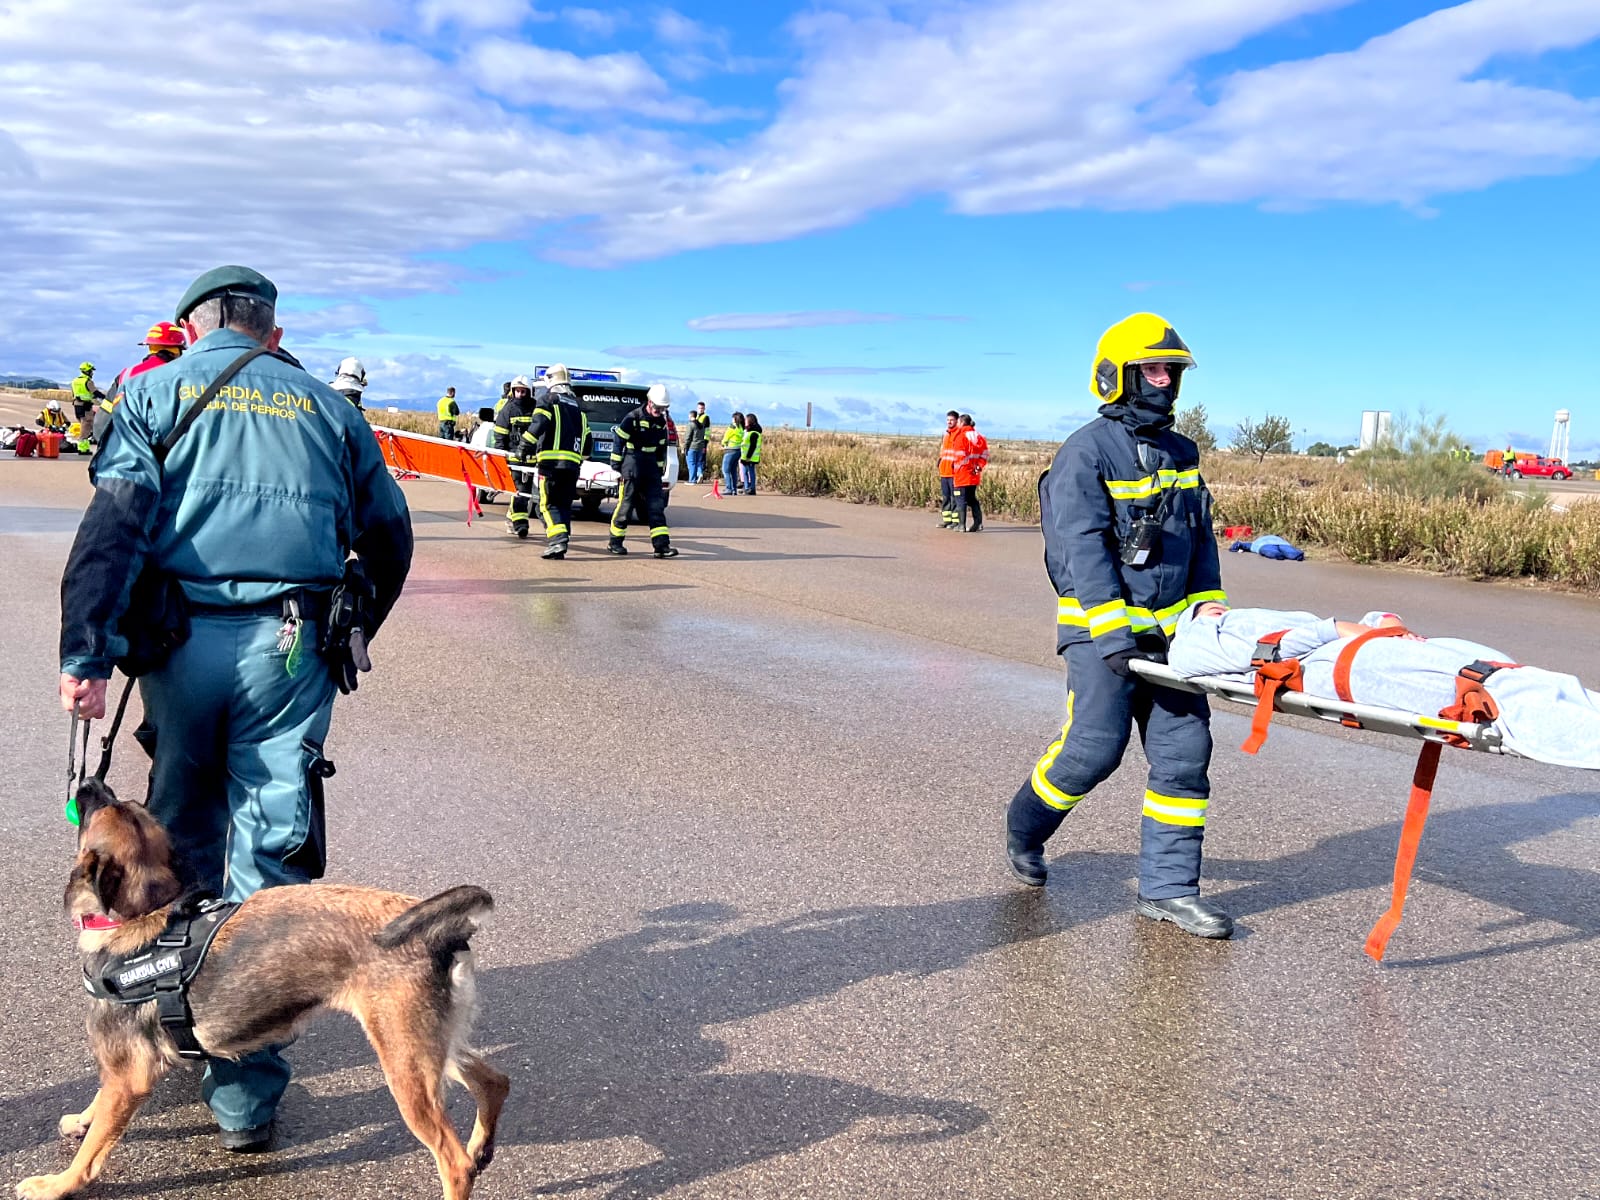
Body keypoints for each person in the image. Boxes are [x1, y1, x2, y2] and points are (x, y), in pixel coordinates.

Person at [57, 265, 413, 1151]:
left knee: (169, 840)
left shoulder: (156, 394)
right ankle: (245, 1094)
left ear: (187, 329)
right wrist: (351, 623)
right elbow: (390, 534)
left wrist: (86, 653)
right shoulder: (332, 411)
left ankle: (161, 1031)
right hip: (292, 651)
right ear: (274, 335)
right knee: (273, 846)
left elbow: (115, 527)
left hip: (180, 647)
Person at [1004, 312, 1231, 939]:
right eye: (1151, 370)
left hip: (1175, 641)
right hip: (1102, 636)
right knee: (1092, 752)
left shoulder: (1182, 453)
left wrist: (1209, 605)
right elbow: (1079, 550)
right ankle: (1024, 826)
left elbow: (1200, 539)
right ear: (1118, 378)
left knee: (1185, 758)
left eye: (1171, 372)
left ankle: (1170, 891)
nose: (1163, 382)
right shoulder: (1085, 452)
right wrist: (1111, 635)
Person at [1167, 603, 1600, 769]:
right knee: (1484, 696)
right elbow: (1271, 650)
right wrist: (1338, 628)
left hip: (1365, 647)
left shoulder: (1235, 616)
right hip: (1343, 661)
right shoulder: (1194, 639)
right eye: (1208, 607)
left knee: (1506, 674)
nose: (1218, 604)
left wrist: (1379, 623)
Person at [608, 383, 679, 558]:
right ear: (649, 402)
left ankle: (661, 547)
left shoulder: (661, 422)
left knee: (656, 508)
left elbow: (662, 446)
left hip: (651, 468)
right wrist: (616, 464)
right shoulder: (633, 418)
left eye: (662, 408)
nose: (658, 410)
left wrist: (661, 467)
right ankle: (615, 542)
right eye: (656, 407)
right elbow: (619, 440)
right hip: (633, 464)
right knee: (626, 505)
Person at [525, 371, 590, 559]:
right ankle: (562, 541)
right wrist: (578, 458)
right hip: (572, 467)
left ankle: (557, 541)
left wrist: (523, 447)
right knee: (563, 505)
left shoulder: (547, 400)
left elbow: (537, 426)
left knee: (546, 504)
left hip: (551, 465)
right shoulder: (579, 408)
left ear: (550, 382)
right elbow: (587, 444)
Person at [97, 321, 188, 444]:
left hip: (126, 448)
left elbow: (102, 421)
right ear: (176, 350)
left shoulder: (125, 375)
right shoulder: (180, 377)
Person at [492, 374, 540, 538]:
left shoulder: (536, 408)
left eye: (523, 391)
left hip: (531, 459)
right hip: (513, 458)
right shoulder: (508, 409)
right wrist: (500, 457)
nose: (519, 394)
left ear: (529, 392)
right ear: (512, 391)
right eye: (517, 391)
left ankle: (510, 519)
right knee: (520, 490)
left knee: (524, 492)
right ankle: (521, 524)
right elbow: (499, 435)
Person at [952, 413, 988, 532]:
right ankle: (978, 523)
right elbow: (984, 455)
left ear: (962, 423)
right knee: (972, 499)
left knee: (960, 499)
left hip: (962, 474)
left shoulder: (961, 437)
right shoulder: (980, 437)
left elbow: (960, 457)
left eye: (958, 422)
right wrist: (978, 467)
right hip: (974, 475)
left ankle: (961, 525)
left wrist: (962, 468)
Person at [937, 410, 960, 528]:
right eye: (947, 420)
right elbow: (943, 451)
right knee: (945, 497)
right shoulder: (946, 435)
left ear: (957, 420)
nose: (949, 422)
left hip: (954, 473)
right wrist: (940, 461)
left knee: (954, 498)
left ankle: (956, 522)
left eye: (951, 420)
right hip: (944, 471)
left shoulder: (959, 434)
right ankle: (947, 520)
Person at [684, 401, 711, 484]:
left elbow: (706, 431)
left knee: (696, 461)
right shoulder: (698, 418)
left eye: (702, 408)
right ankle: (698, 475)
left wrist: (705, 442)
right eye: (699, 408)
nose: (700, 410)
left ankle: (696, 477)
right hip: (700, 442)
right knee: (698, 461)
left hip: (700, 442)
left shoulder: (705, 417)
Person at [70, 362, 102, 426]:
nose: (92, 373)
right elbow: (96, 392)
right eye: (91, 371)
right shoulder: (88, 381)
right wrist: (106, 397)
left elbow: (74, 393)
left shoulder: (74, 381)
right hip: (86, 406)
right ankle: (86, 435)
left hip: (77, 405)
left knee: (82, 422)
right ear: (87, 372)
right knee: (88, 423)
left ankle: (85, 434)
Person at [721, 412, 745, 494]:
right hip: (738, 450)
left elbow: (725, 438)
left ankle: (729, 488)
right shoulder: (742, 428)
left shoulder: (732, 427)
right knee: (733, 470)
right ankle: (734, 489)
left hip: (730, 450)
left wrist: (723, 443)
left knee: (725, 470)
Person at [740, 413, 764, 495]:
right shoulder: (748, 431)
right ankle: (747, 488)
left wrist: (748, 456)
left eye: (746, 420)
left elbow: (752, 446)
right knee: (745, 472)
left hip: (750, 457)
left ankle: (752, 488)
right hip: (746, 456)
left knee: (750, 473)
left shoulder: (754, 432)